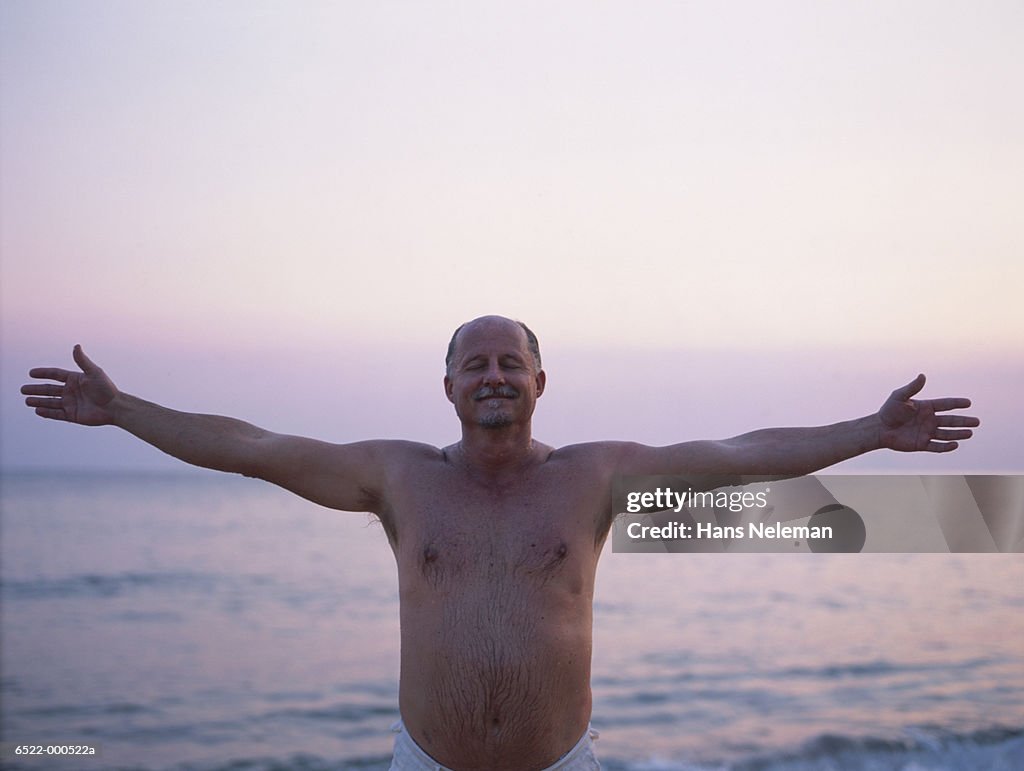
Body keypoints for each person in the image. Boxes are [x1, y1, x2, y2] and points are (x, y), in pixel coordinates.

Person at [22, 315, 979, 770]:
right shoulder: (396, 476)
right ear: (446, 386)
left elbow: (736, 455)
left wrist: (866, 430)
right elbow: (254, 448)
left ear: (538, 383)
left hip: (561, 761)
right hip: (425, 761)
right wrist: (122, 411)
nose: (493, 376)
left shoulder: (595, 475)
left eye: (510, 363)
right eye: (474, 364)